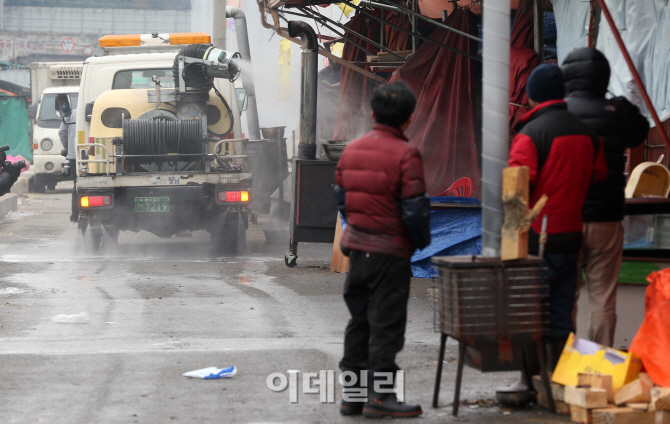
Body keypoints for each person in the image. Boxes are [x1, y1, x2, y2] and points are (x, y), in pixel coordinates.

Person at [499, 64, 608, 394]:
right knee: (561, 311)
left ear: (530, 96)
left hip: (537, 239)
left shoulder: (530, 135)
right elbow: (599, 176)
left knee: (530, 310)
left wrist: (509, 246)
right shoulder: (587, 133)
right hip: (571, 235)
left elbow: (517, 192)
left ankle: (528, 380)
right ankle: (558, 382)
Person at [334, 81, 429, 419]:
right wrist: (419, 242)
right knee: (386, 325)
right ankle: (380, 396)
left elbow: (341, 200)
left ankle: (352, 398)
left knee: (359, 322)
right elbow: (414, 209)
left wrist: (358, 227)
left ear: (372, 113)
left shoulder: (352, 150)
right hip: (390, 253)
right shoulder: (406, 154)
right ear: (409, 119)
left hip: (358, 252)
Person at [562, 47, 650, 347]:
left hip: (566, 221)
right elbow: (640, 132)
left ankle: (564, 369)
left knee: (565, 298)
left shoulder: (558, 112)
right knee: (602, 299)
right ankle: (599, 369)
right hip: (606, 219)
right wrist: (623, 104)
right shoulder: (617, 113)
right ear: (604, 76)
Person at [57, 95, 78, 223]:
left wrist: (68, 147)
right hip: (102, 154)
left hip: (75, 156)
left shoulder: (74, 113)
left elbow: (62, 132)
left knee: (78, 185)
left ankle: (75, 216)